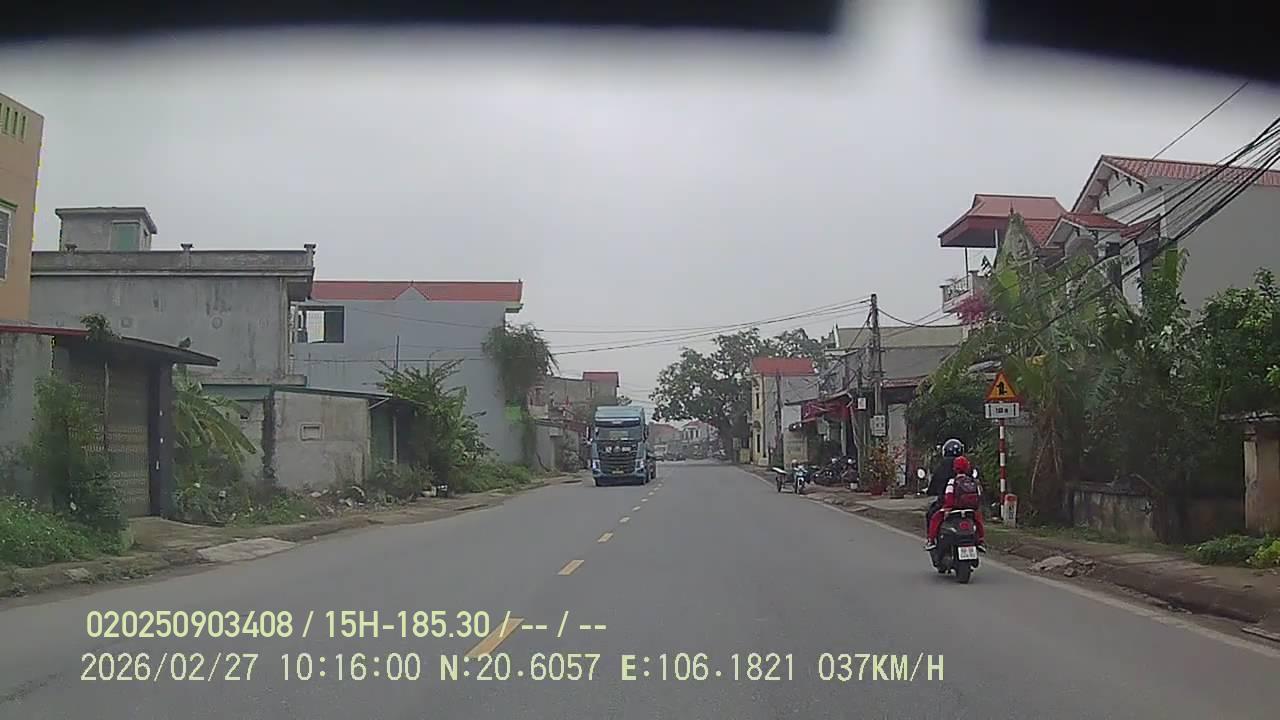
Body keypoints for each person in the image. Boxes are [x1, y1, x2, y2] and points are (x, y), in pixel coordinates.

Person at [925, 455, 986, 550]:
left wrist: (947, 508)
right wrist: (975, 508)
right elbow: (978, 495)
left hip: (954, 509)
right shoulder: (973, 482)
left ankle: (931, 540)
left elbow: (949, 495)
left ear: (954, 469)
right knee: (979, 521)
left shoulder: (952, 481)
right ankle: (981, 540)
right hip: (970, 509)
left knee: (935, 518)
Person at [924, 438, 965, 533]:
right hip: (965, 503)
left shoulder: (942, 466)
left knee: (931, 515)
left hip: (945, 502)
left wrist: (930, 491)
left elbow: (934, 483)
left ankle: (931, 538)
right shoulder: (965, 464)